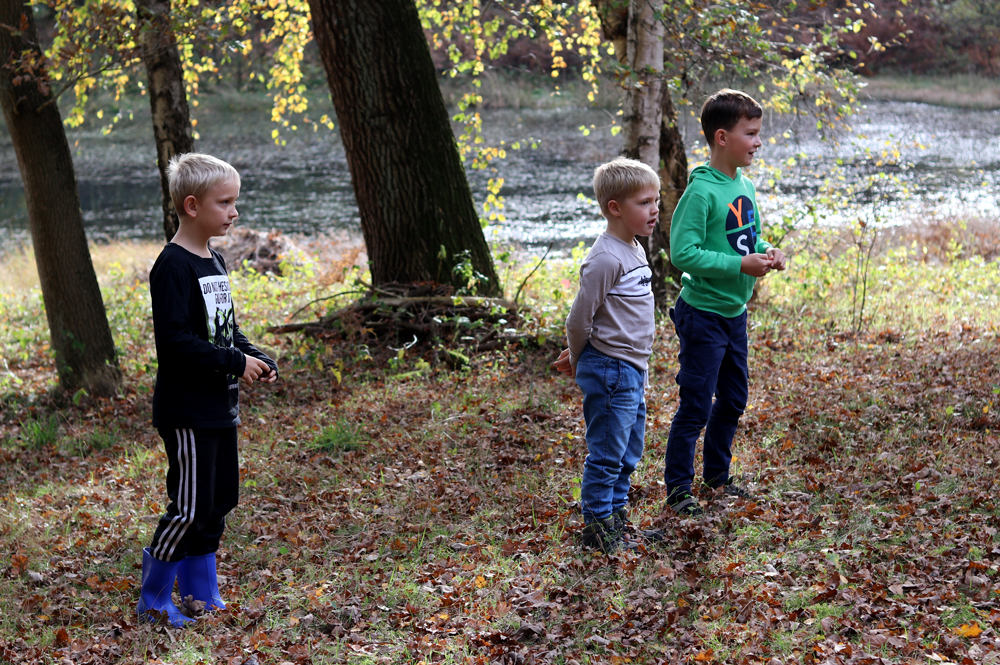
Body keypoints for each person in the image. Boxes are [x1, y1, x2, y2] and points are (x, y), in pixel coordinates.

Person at [137, 153, 278, 626]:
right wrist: (235, 362)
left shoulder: (213, 259)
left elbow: (223, 330)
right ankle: (154, 599)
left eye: (235, 201)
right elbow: (176, 343)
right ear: (193, 206)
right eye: (226, 203)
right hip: (188, 411)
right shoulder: (172, 267)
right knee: (190, 508)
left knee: (219, 502)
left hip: (220, 407)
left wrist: (252, 355)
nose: (234, 212)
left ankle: (201, 591)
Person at [662, 89, 786, 517]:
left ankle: (717, 476)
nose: (757, 142)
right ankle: (678, 489)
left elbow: (747, 238)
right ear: (721, 137)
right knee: (696, 405)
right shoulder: (701, 193)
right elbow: (683, 254)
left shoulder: (744, 185)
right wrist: (739, 266)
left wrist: (768, 252)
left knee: (733, 400)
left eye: (758, 133)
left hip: (735, 315)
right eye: (750, 133)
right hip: (703, 314)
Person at [553, 157, 660, 553]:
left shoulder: (633, 250)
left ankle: (616, 520)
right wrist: (580, 359)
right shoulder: (605, 259)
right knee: (607, 453)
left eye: (656, 202)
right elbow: (579, 319)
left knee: (628, 451)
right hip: (611, 369)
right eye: (644, 203)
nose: (654, 211)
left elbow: (613, 315)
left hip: (631, 368)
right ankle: (598, 532)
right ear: (615, 208)